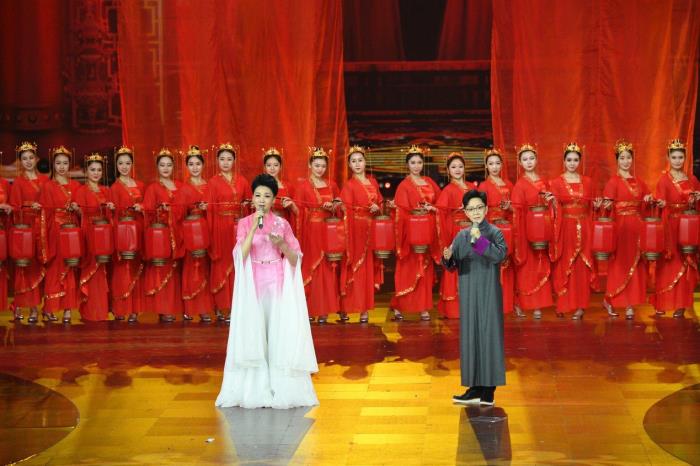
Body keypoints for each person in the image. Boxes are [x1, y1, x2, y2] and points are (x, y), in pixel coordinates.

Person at [216, 174, 318, 409]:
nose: (262, 200)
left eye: (267, 196)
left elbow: (295, 259)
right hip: (253, 283)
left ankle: (279, 387)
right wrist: (253, 228)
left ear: (274, 200)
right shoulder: (245, 223)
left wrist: (281, 244)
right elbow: (240, 256)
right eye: (258, 195)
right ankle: (254, 388)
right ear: (252, 198)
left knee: (277, 333)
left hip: (276, 281)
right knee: (254, 332)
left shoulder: (282, 224)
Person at [444, 190, 507, 406]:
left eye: (479, 207)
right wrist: (448, 258)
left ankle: (489, 390)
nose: (476, 212)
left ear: (486, 209)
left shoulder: (495, 233)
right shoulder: (461, 235)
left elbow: (499, 255)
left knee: (489, 335)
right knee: (471, 336)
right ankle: (474, 387)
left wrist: (480, 241)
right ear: (465, 212)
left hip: (488, 291)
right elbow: (453, 264)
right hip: (469, 290)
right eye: (471, 209)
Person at [602, 141, 653, 320]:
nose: (626, 161)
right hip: (621, 229)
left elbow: (647, 204)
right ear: (617, 160)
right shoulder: (613, 182)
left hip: (637, 228)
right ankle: (611, 299)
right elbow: (606, 210)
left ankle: (630, 304)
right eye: (622, 158)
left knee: (636, 265)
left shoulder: (640, 182)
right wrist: (605, 205)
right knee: (620, 264)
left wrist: (648, 199)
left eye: (628, 158)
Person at [391, 145, 441, 321]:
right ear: (407, 164)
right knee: (408, 270)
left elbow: (440, 203)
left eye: (419, 162)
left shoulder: (430, 182)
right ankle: (399, 306)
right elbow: (400, 212)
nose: (416, 166)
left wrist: (432, 208)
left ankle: (423, 307)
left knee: (425, 269)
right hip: (411, 236)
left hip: (427, 233)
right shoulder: (404, 185)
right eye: (413, 162)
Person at [549, 143, 598, 319]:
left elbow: (592, 207)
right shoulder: (555, 183)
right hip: (566, 227)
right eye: (569, 160)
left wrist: (598, 205)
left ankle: (581, 306)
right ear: (563, 161)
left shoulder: (588, 182)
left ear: (580, 161)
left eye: (575, 160)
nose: (572, 163)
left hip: (585, 226)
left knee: (582, 265)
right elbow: (554, 209)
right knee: (565, 265)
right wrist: (552, 202)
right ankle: (564, 304)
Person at [651, 139, 699, 319]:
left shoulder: (692, 179)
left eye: (680, 157)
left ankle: (681, 304)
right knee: (669, 264)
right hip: (670, 226)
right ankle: (662, 303)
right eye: (674, 157)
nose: (677, 161)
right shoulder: (664, 180)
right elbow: (659, 201)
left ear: (685, 158)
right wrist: (661, 204)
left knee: (686, 262)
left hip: (688, 226)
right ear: (668, 158)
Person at [295, 147, 341, 324]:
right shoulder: (303, 186)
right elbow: (299, 210)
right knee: (311, 267)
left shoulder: (332, 185)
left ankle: (324, 310)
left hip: (328, 230)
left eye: (323, 166)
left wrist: (334, 205)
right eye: (316, 165)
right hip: (311, 230)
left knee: (328, 268)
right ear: (310, 165)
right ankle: (310, 309)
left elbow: (340, 204)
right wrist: (315, 209)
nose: (320, 169)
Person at [339, 146, 384, 323]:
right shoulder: (349, 185)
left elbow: (380, 202)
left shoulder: (373, 182)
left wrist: (377, 207)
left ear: (365, 162)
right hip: (355, 230)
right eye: (354, 161)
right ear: (349, 165)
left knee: (367, 269)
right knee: (355, 268)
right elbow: (345, 208)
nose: (357, 164)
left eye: (360, 160)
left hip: (371, 230)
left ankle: (365, 309)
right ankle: (349, 307)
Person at [207, 143, 251, 321]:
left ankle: (237, 306)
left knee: (238, 263)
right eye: (222, 159)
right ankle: (221, 306)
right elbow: (210, 209)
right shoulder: (212, 182)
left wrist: (246, 205)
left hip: (238, 227)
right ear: (217, 161)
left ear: (234, 161)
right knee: (222, 263)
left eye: (229, 159)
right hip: (220, 228)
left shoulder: (242, 181)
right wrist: (211, 232)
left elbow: (250, 204)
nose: (225, 163)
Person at [511, 144, 554, 319]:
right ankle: (525, 303)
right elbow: (516, 210)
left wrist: (551, 201)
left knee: (541, 263)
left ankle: (539, 305)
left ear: (536, 160)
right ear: (520, 163)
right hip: (527, 228)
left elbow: (552, 205)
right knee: (527, 266)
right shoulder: (520, 184)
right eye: (525, 159)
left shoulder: (544, 181)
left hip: (543, 227)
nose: (529, 162)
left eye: (531, 158)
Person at [40, 146, 81, 324]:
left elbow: (82, 210)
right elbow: (45, 213)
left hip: (71, 232)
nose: (62, 167)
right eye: (58, 163)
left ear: (69, 164)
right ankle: (49, 307)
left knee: (70, 269)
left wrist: (77, 208)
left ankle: (67, 309)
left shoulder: (76, 186)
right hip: (56, 232)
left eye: (65, 163)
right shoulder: (48, 186)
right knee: (54, 270)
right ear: (53, 165)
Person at [175, 145, 214, 322]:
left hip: (206, 232)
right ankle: (190, 308)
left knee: (205, 269)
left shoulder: (210, 186)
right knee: (192, 269)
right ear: (186, 167)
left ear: (203, 165)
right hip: (191, 233)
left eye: (198, 163)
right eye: (191, 164)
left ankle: (205, 309)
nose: (195, 167)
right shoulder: (184, 189)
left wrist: (208, 209)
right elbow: (177, 214)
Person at [9, 142, 48, 323]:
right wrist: (29, 207)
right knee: (24, 269)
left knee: (39, 268)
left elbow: (50, 203)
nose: (28, 161)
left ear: (36, 159)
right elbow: (15, 207)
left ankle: (37, 307)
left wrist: (42, 207)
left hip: (41, 228)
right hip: (25, 230)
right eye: (24, 159)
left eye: (31, 158)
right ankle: (20, 305)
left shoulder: (45, 180)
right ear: (20, 162)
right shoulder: (18, 182)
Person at [143, 148, 183, 322]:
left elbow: (186, 207)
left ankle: (177, 308)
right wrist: (160, 210)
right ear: (157, 167)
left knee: (177, 272)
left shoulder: (181, 186)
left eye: (169, 165)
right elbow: (148, 211)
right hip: (162, 236)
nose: (165, 168)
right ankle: (163, 308)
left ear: (173, 167)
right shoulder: (153, 188)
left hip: (179, 233)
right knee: (163, 269)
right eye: (162, 165)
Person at [478, 148, 518, 317]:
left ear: (502, 165)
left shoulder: (509, 184)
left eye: (497, 163)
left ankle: (509, 303)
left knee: (507, 265)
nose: (494, 167)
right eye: (491, 163)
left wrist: (510, 208)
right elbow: (480, 211)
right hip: (490, 229)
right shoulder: (483, 186)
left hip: (507, 227)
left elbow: (515, 207)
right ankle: (489, 305)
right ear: (486, 166)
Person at [75, 153, 114, 322]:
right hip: (90, 235)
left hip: (104, 237)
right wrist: (78, 210)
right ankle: (91, 312)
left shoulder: (106, 190)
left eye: (99, 170)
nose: (96, 173)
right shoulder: (81, 191)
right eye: (92, 170)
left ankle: (102, 311)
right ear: (86, 171)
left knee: (103, 272)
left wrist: (111, 208)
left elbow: (110, 215)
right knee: (93, 271)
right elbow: (80, 215)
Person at [436, 152, 474, 318]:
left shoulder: (472, 187)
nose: (457, 170)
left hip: (474, 230)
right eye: (453, 167)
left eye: (460, 166)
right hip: (456, 231)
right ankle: (453, 309)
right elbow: (441, 213)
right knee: (456, 266)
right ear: (448, 170)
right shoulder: (448, 190)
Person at [110, 146, 146, 323]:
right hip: (123, 232)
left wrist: (142, 207)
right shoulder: (115, 187)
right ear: (116, 165)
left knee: (136, 268)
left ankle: (135, 310)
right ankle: (121, 308)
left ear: (132, 164)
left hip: (137, 230)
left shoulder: (140, 185)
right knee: (122, 269)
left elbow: (147, 205)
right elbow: (112, 214)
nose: (124, 167)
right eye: (121, 163)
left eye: (127, 163)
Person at [263, 148, 298, 227]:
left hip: (284, 226)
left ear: (280, 166)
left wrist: (292, 205)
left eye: (276, 165)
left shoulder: (288, 187)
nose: (272, 168)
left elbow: (297, 212)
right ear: (264, 167)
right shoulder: (259, 187)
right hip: (266, 226)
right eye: (269, 165)